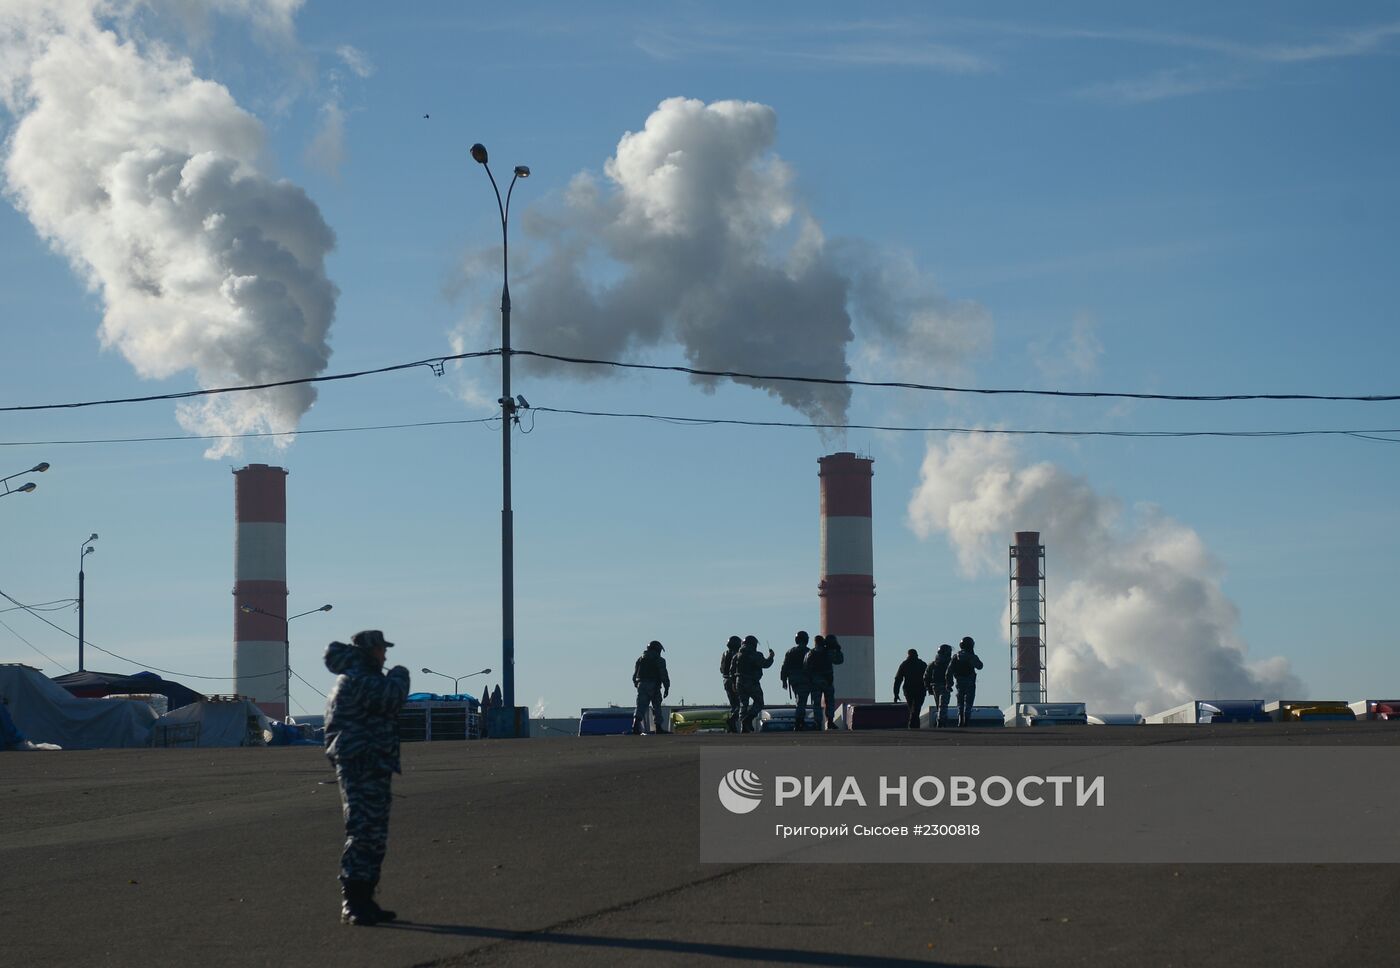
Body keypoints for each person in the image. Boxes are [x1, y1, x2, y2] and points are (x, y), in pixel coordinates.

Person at [324, 630, 411, 926]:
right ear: (369, 650)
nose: (385, 656)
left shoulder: (361, 675)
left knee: (374, 834)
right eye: (381, 650)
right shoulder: (358, 678)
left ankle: (366, 899)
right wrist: (400, 676)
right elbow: (391, 699)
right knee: (363, 831)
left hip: (372, 761)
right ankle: (353, 902)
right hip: (360, 762)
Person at [804, 634, 845, 730]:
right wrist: (838, 650)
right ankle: (830, 721)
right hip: (827, 681)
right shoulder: (828, 652)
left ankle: (818, 722)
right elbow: (839, 660)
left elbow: (805, 667)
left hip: (815, 682)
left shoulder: (810, 653)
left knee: (816, 703)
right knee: (830, 701)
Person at [735, 635, 774, 733]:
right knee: (759, 702)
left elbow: (732, 670)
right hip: (751, 682)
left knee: (743, 704)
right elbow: (765, 664)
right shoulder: (756, 655)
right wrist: (771, 656)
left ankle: (743, 726)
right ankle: (747, 720)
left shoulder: (737, 655)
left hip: (739, 681)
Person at [631, 640, 670, 734]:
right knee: (657, 706)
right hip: (654, 685)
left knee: (641, 706)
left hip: (642, 684)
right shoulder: (659, 660)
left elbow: (635, 675)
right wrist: (666, 687)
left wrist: (636, 684)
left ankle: (635, 726)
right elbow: (663, 674)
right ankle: (658, 727)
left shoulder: (640, 659)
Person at [780, 631, 813, 729]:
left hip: (794, 680)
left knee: (800, 700)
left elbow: (784, 667)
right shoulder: (809, 652)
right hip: (805, 679)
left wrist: (783, 680)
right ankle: (799, 722)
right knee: (801, 701)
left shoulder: (790, 652)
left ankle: (799, 721)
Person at [949, 636, 984, 727]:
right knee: (968, 702)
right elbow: (980, 666)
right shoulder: (971, 656)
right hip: (970, 682)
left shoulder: (956, 657)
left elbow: (949, 670)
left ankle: (960, 720)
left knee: (960, 702)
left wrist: (949, 683)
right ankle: (966, 721)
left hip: (959, 682)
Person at [893, 648, 928, 729]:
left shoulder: (904, 664)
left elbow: (898, 679)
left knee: (913, 709)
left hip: (909, 690)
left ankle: (913, 726)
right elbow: (928, 677)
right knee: (916, 709)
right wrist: (929, 688)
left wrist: (896, 693)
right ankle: (914, 726)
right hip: (920, 690)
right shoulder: (922, 664)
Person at [924, 644, 954, 728]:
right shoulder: (949, 663)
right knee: (943, 705)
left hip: (935, 687)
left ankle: (940, 721)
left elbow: (926, 677)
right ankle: (941, 722)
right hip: (944, 686)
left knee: (939, 705)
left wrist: (928, 688)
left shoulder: (933, 664)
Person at [720, 635, 742, 733]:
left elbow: (721, 669)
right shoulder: (737, 654)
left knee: (733, 704)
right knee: (739, 704)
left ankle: (732, 727)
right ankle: (732, 720)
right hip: (734, 680)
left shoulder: (725, 654)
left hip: (725, 680)